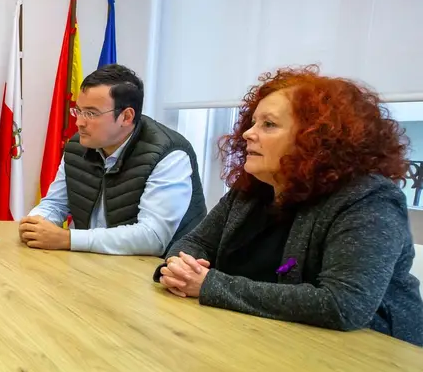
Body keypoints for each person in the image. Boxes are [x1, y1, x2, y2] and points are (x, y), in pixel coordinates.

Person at [157, 66, 423, 346]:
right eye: (252, 122)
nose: (248, 133)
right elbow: (194, 242)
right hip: (259, 340)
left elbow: (343, 305)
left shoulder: (369, 200)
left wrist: (209, 285)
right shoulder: (252, 189)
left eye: (268, 125)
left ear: (317, 139)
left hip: (373, 359)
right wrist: (180, 267)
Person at [19, 64, 206, 256]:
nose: (79, 122)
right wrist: (35, 223)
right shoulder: (78, 146)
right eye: (78, 111)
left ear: (126, 116)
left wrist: (68, 239)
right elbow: (55, 204)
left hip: (159, 272)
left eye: (91, 113)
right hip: (95, 263)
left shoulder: (170, 154)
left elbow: (153, 237)